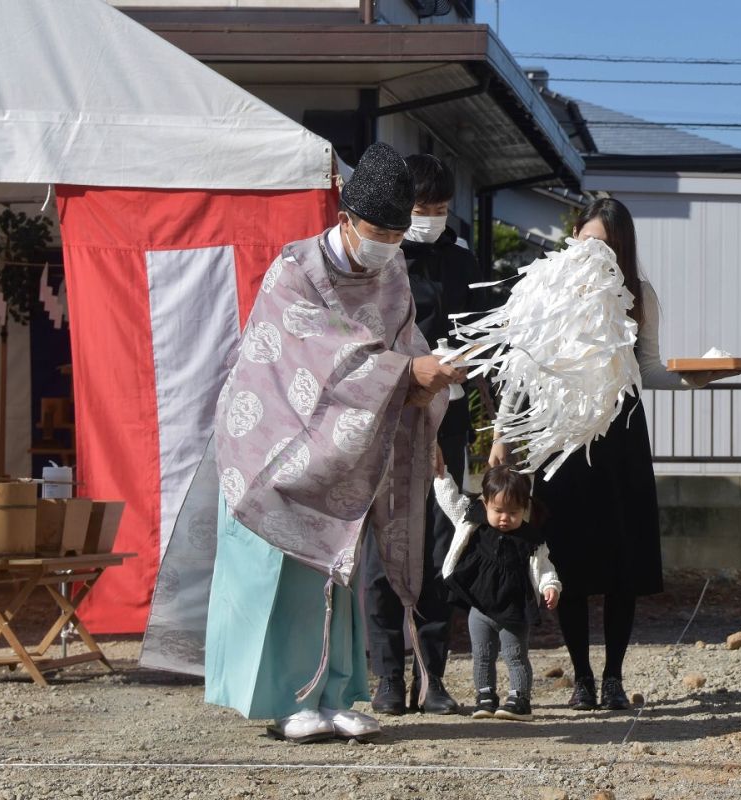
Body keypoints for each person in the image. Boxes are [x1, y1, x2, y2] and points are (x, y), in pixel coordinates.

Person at [204, 142, 464, 744]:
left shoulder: (393, 269)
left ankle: (338, 690)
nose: (387, 246)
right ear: (345, 217)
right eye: (378, 232)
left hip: (344, 444)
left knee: (336, 572)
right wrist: (405, 377)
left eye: (397, 236)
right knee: (286, 576)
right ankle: (286, 699)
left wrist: (430, 378)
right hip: (274, 446)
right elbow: (318, 359)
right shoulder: (295, 271)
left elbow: (402, 341)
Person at [488, 197, 735, 712]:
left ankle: (614, 678)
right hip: (562, 440)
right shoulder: (545, 289)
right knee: (568, 562)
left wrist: (696, 378)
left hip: (619, 437)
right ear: (574, 234)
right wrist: (502, 437)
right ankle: (581, 678)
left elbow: (647, 368)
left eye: (606, 244)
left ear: (621, 249)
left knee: (622, 564)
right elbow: (522, 367)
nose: (594, 250)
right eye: (588, 239)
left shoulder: (637, 294)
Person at [363, 153, 482, 716]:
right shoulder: (379, 259)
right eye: (420, 209)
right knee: (382, 544)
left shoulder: (463, 259)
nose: (431, 218)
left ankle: (433, 676)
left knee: (440, 541)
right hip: (387, 410)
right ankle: (387, 676)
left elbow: (488, 336)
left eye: (440, 209)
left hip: (448, 412)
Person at [433, 464, 560, 722]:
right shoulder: (473, 522)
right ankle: (485, 696)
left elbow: (545, 567)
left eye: (513, 512)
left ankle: (519, 698)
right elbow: (450, 500)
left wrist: (550, 586)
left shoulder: (531, 539)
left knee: (515, 655)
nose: (504, 518)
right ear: (485, 503)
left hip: (514, 610)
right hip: (479, 607)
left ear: (525, 508)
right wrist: (442, 475)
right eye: (498, 511)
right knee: (481, 654)